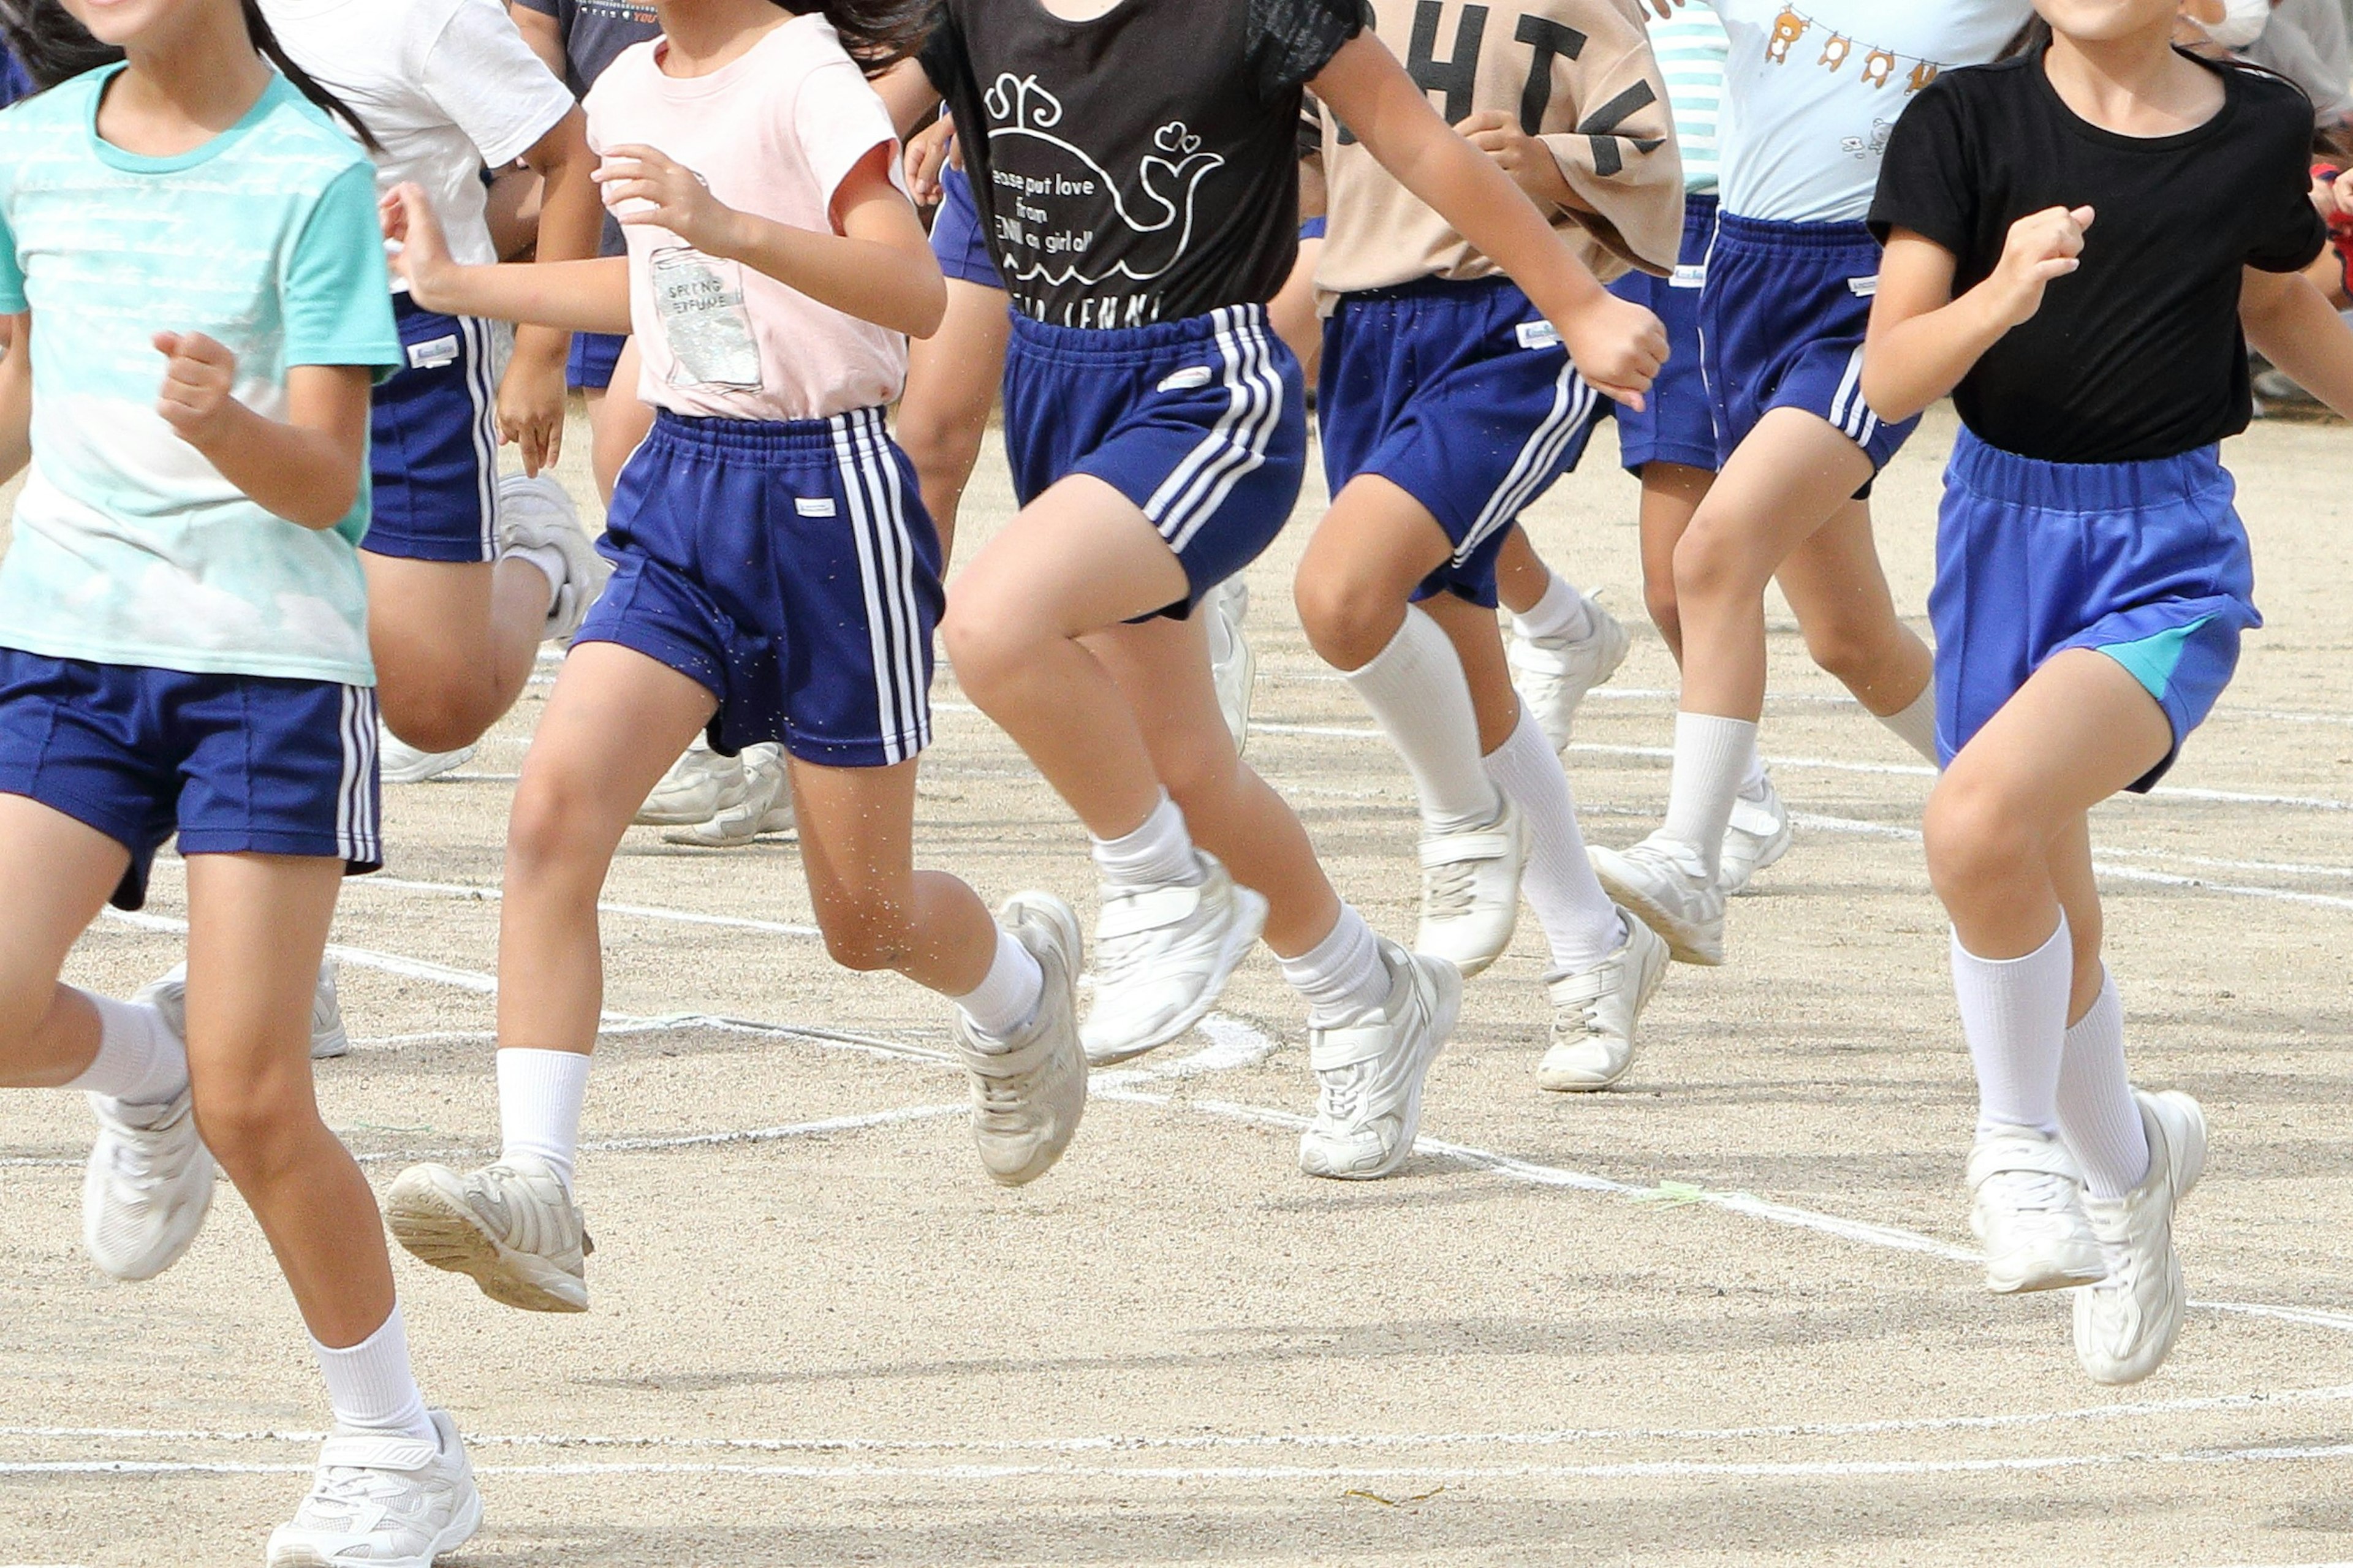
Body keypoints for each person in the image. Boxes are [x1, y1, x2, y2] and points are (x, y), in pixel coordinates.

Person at [375, 0, 1091, 1313]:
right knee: (551, 813)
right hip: (683, 491)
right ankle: (539, 1187)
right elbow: (651, 283)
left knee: (863, 921)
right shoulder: (635, 87)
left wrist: (727, 224)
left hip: (830, 497)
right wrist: (461, 285)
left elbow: (915, 287)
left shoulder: (805, 76)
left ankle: (1019, 986)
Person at [889, 0, 1666, 1176]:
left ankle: (1156, 889)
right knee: (1191, 769)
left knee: (993, 621)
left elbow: (1414, 139)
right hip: (1061, 385)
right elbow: (829, 114)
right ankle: (1365, 993)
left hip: (1206, 390)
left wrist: (1578, 300)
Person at [0, 0, 480, 1558]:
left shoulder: (312, 173)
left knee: (260, 1096)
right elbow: (19, 396)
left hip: (266, 669)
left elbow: (334, 481)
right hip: (66, 638)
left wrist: (224, 424)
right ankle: (138, 1077)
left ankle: (397, 1446)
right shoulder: (23, 153)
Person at [1865, 0, 2347, 1384]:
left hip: (2164, 559)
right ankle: (2131, 1175)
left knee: (1969, 825)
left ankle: (2009, 1146)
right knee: (2046, 918)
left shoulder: (2253, 130)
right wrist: (1997, 293)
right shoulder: (1962, 124)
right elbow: (1889, 368)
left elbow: (2276, 307)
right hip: (1996, 541)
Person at [1589, 0, 2032, 969]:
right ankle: (2010, 796)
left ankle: (1689, 859)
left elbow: (2230, 15)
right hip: (1741, 273)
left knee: (1714, 549)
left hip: (1876, 291)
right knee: (1849, 636)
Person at [1292, 0, 1682, 1092]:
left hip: (1519, 319)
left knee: (1356, 588)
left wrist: (1547, 160)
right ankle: (1594, 940)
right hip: (1368, 323)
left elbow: (1652, 153)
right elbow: (1300, 158)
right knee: (1452, 638)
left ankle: (1463, 823)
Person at [261, 0, 610, 785]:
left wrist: (540, 352)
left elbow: (570, 152)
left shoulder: (429, 15)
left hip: (408, 346)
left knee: (438, 712)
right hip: (256, 338)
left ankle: (537, 553)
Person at [1590, 2, 1792, 893]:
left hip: (1756, 221)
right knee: (1669, 581)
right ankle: (1743, 790)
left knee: (1819, 614)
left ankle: (1728, 807)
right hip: (1640, 216)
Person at [510, 0, 662, 502]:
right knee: (622, 461)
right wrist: (536, 110)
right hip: (603, 217)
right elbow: (534, 22)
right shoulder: (619, 87)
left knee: (631, 446)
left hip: (708, 214)